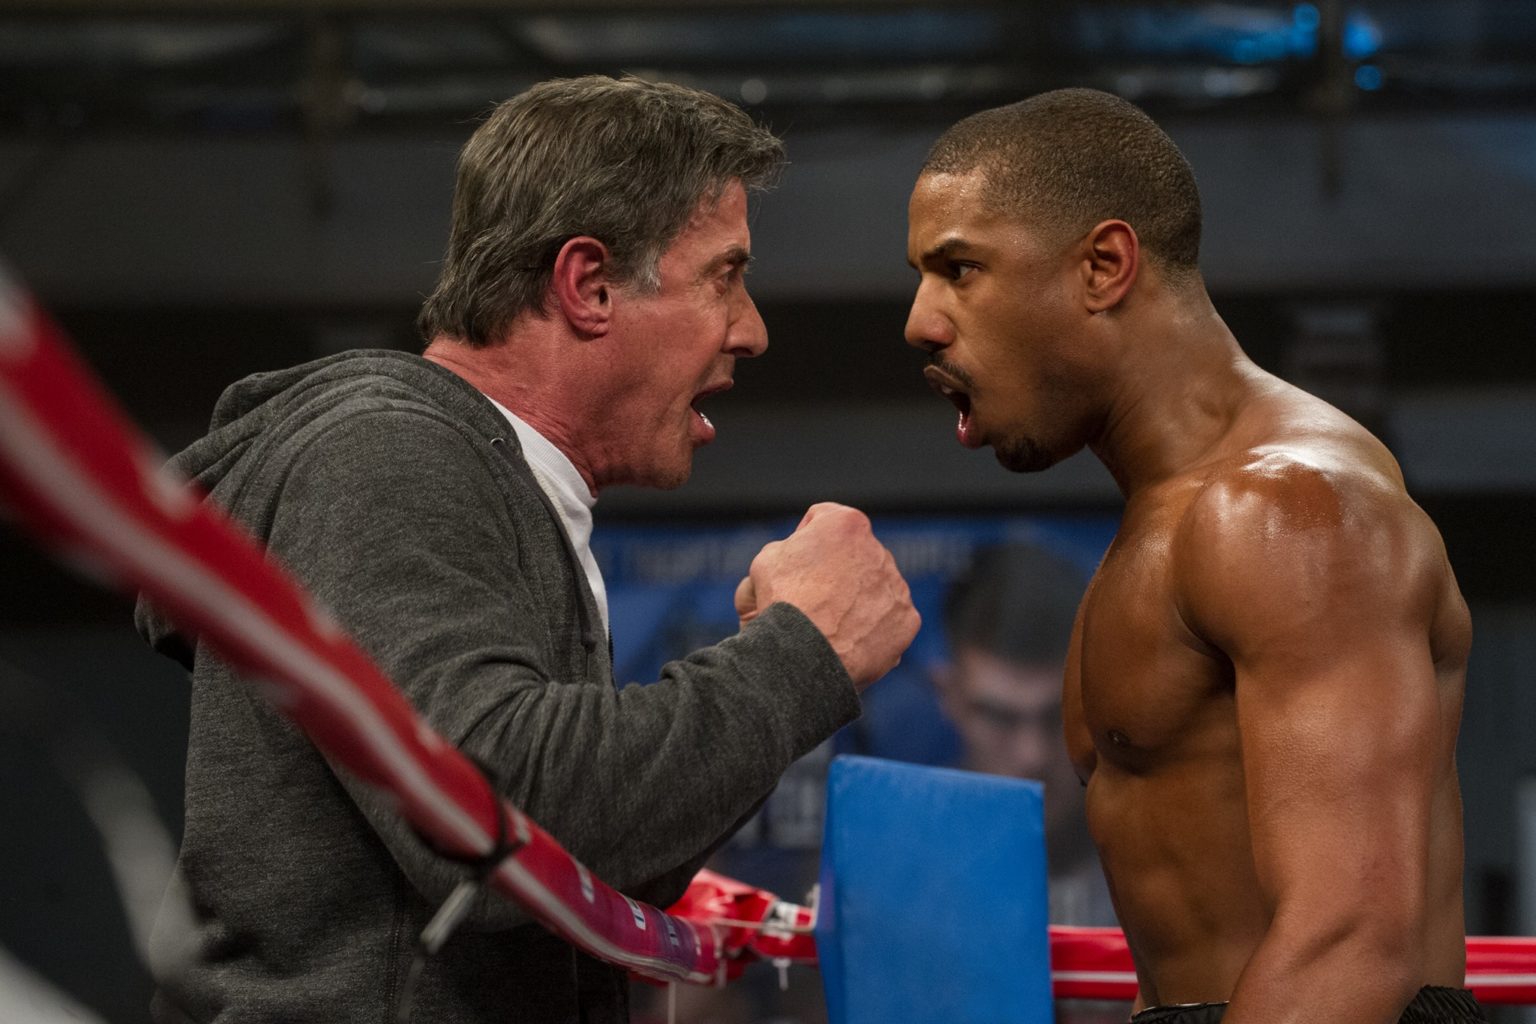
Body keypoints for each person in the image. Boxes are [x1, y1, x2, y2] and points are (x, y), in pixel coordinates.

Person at [136, 75, 919, 1024]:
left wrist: (782, 666)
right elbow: (492, 822)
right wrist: (802, 651)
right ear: (589, 285)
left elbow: (596, 862)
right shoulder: (385, 453)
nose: (751, 330)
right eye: (725, 276)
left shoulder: (497, 484)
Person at [904, 88, 1480, 1024]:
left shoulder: (1288, 511)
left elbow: (1350, 943)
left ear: (1104, 267)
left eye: (959, 268)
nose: (921, 321)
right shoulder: (1164, 524)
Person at [935, 541, 1114, 929]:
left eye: (1056, 715)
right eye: (998, 717)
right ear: (948, 696)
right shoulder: (885, 865)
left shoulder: (1158, 860)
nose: (1031, 756)